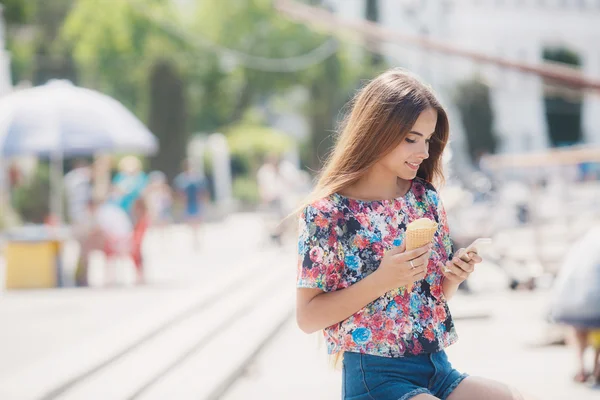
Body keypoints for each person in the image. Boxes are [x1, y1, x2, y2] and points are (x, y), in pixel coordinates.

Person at [296, 69, 528, 400]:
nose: (422, 151)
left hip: (437, 367)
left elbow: (429, 299)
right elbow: (307, 318)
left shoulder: (425, 199)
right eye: (411, 138)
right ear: (376, 129)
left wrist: (454, 276)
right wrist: (382, 279)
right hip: (375, 375)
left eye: (428, 139)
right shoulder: (327, 213)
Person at [174, 159, 208, 250]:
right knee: (190, 221)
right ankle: (194, 238)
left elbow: (203, 191)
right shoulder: (182, 178)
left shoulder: (198, 177)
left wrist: (203, 200)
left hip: (197, 202)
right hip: (187, 202)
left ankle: (196, 238)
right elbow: (179, 192)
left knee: (197, 220)